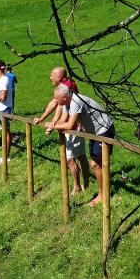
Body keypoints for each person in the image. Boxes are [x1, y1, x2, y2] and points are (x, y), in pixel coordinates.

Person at [46, 84, 114, 206]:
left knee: (96, 164)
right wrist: (52, 125)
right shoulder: (67, 103)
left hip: (104, 129)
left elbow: (69, 125)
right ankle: (104, 192)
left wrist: (53, 126)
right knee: (98, 163)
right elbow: (63, 120)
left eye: (56, 98)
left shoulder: (76, 102)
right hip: (94, 132)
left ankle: (103, 195)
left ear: (64, 97)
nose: (55, 101)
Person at [34, 67, 89, 195]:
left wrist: (53, 124)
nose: (50, 78)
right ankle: (84, 184)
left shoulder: (68, 86)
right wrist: (47, 120)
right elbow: (57, 104)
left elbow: (58, 105)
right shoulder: (63, 86)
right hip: (69, 125)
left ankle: (79, 186)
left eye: (51, 75)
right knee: (78, 156)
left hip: (74, 126)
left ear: (58, 77)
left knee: (73, 158)